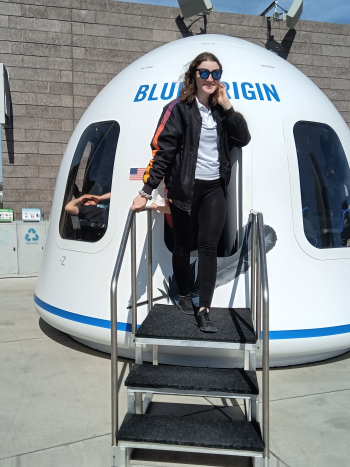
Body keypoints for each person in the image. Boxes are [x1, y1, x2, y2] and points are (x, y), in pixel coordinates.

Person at [131, 52, 251, 333]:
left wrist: (228, 106)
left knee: (208, 246)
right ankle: (184, 293)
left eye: (216, 73)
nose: (210, 78)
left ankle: (204, 309)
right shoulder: (178, 109)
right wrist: (146, 191)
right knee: (183, 244)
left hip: (214, 189)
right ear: (194, 76)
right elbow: (163, 151)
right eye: (204, 72)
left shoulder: (222, 112)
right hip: (185, 189)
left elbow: (243, 138)